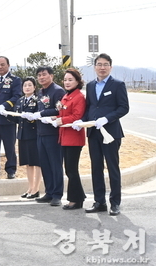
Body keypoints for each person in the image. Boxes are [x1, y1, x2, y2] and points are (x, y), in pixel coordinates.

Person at [79, 53, 129, 216]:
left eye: (105, 64)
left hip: (111, 133)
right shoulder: (91, 85)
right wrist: (82, 121)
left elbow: (124, 108)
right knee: (96, 167)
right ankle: (99, 202)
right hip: (94, 133)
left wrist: (107, 119)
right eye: (99, 64)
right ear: (95, 67)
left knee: (112, 167)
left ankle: (115, 203)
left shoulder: (118, 85)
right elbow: (90, 107)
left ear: (110, 67)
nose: (102, 67)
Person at [23, 66, 65, 207]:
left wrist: (41, 114)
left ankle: (57, 195)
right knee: (45, 164)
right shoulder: (40, 92)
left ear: (51, 75)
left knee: (55, 165)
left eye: (44, 74)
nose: (41, 77)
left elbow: (59, 110)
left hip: (53, 134)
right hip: (40, 133)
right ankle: (49, 192)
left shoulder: (58, 91)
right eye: (39, 75)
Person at [47, 68, 86, 210]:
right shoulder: (66, 96)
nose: (67, 82)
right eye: (65, 80)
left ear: (77, 81)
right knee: (69, 169)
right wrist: (54, 118)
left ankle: (75, 200)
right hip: (64, 137)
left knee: (71, 170)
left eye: (70, 80)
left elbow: (77, 116)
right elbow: (63, 113)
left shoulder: (79, 97)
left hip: (74, 137)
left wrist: (61, 120)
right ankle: (79, 197)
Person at [8, 76, 42, 198]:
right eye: (25, 85)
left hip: (34, 135)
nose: (27, 87)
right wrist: (6, 114)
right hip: (22, 135)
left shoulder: (37, 100)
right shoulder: (20, 101)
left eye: (30, 85)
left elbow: (38, 117)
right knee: (28, 163)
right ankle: (30, 187)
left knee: (36, 162)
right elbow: (17, 119)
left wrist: (30, 117)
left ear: (34, 87)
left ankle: (36, 189)